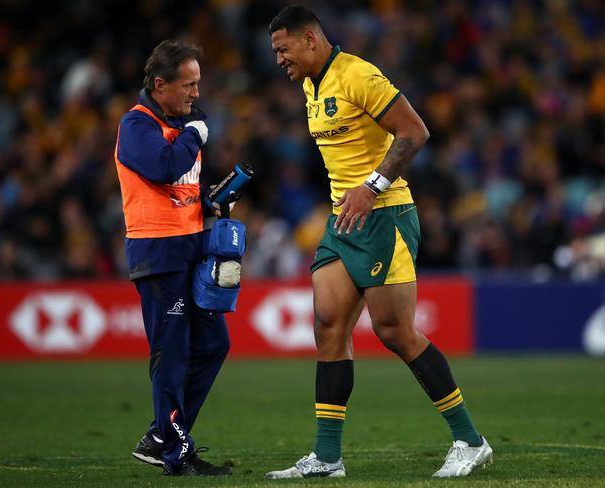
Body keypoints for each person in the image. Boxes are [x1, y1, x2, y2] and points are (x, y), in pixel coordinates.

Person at [265, 5, 493, 479]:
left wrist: (371, 187)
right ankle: (328, 457)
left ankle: (471, 441)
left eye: (283, 50)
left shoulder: (358, 75)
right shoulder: (312, 85)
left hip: (384, 214)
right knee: (328, 327)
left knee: (395, 332)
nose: (279, 61)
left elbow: (415, 131)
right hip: (342, 221)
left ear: (310, 40)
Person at [113, 40, 231, 477]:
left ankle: (164, 436)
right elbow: (163, 168)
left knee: (215, 343)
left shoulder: (180, 126)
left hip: (191, 248)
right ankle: (175, 451)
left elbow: (179, 184)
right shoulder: (136, 125)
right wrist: (194, 135)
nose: (196, 93)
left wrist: (207, 200)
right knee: (173, 353)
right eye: (189, 84)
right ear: (160, 85)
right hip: (159, 254)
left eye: (198, 84)